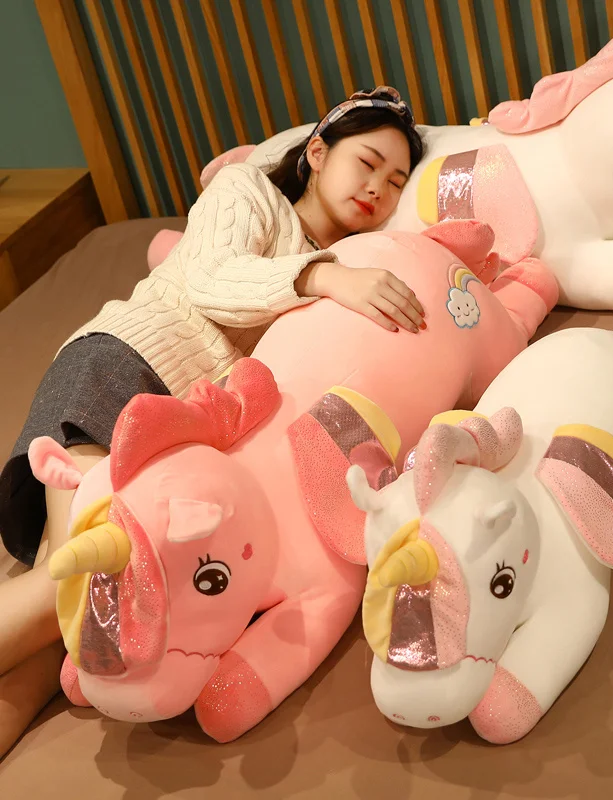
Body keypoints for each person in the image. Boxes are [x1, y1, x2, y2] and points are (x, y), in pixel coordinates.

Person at [0, 86, 424, 757]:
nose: (379, 187)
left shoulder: (361, 263)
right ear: (317, 152)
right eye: (367, 162)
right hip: (124, 368)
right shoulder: (248, 192)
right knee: (74, 580)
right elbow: (210, 277)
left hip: (180, 435)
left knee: (84, 611)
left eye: (397, 181)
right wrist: (320, 279)